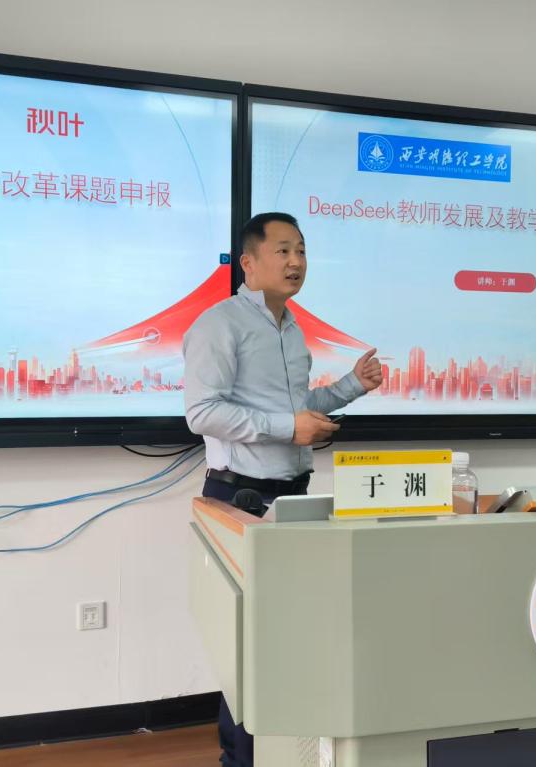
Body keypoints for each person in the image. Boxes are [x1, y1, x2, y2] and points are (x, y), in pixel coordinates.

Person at [182, 211, 383, 767]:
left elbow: (298, 409)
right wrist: (287, 428)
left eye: (302, 251)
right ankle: (240, 760)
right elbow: (202, 412)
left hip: (294, 496)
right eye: (283, 251)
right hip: (240, 499)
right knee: (248, 648)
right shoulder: (219, 324)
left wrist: (352, 386)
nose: (296, 262)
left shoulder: (291, 328)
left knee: (292, 639)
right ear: (249, 262)